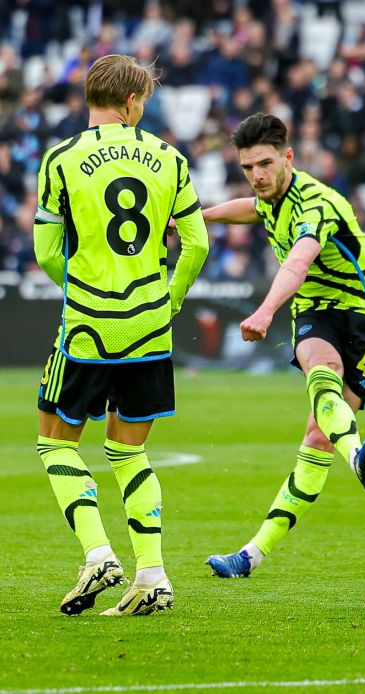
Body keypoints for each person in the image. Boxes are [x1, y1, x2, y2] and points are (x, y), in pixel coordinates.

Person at [33, 55, 209, 616]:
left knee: (56, 441)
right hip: (150, 327)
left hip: (87, 327)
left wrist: (81, 286)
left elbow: (44, 251)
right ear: (133, 103)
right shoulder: (170, 158)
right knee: (128, 453)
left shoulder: (60, 159)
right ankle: (152, 576)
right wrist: (170, 297)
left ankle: (98, 554)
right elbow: (198, 244)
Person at [201, 113, 365, 578]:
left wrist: (265, 310)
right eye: (248, 168)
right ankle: (357, 458)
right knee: (320, 375)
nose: (257, 177)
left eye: (265, 164)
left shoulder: (317, 203)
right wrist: (200, 215)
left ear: (289, 156)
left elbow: (299, 258)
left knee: (316, 434)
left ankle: (253, 553)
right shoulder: (268, 194)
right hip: (316, 310)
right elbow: (253, 208)